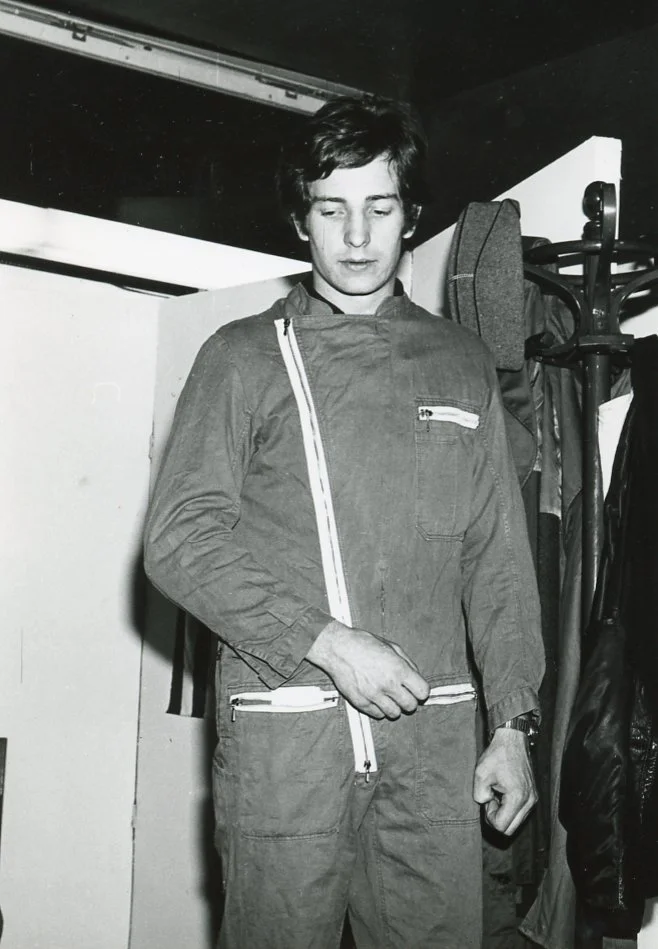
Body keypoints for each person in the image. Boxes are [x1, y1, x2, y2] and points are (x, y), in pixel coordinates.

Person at [143, 94, 545, 949]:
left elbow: (499, 563)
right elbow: (181, 539)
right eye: (332, 210)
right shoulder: (241, 357)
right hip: (288, 750)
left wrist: (513, 725)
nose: (357, 236)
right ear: (301, 219)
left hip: (433, 747)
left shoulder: (462, 363)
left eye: (380, 208)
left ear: (412, 215)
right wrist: (329, 642)